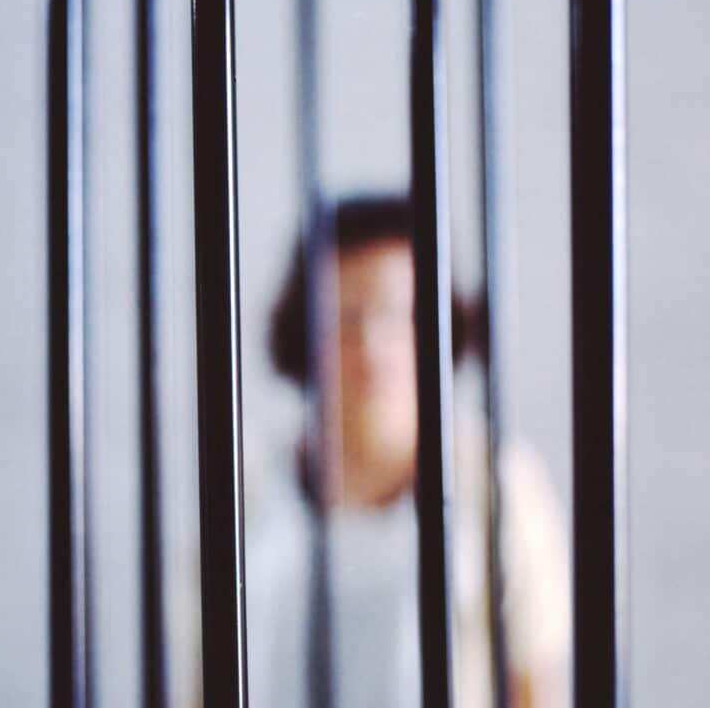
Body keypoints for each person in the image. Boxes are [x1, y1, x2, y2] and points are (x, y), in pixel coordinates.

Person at [243, 194, 570, 707]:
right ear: (302, 330)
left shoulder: (494, 484)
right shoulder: (249, 493)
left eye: (399, 314)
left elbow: (534, 684)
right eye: (344, 317)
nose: (371, 345)